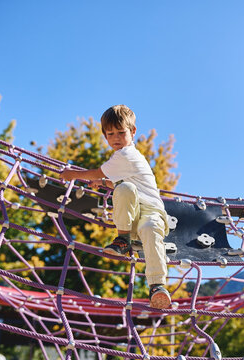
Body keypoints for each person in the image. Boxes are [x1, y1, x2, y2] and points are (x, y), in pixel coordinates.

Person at [60, 104, 172, 309]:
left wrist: (73, 175)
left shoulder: (126, 155)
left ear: (133, 132)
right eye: (110, 134)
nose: (116, 138)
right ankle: (123, 239)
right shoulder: (121, 159)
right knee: (124, 188)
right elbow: (118, 183)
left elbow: (97, 173)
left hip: (152, 213)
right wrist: (103, 184)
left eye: (121, 132)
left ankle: (157, 285)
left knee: (150, 228)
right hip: (133, 216)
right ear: (104, 135)